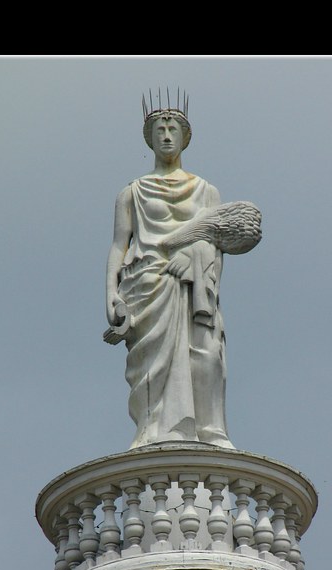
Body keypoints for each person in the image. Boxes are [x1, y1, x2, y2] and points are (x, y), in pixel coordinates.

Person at [105, 94, 234, 449]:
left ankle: (210, 430)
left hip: (194, 285)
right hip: (147, 283)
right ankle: (153, 429)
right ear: (149, 139)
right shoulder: (132, 191)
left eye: (172, 128)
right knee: (151, 364)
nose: (165, 135)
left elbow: (216, 240)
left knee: (206, 352)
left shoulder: (206, 191)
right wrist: (110, 294)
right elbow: (120, 244)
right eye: (159, 129)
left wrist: (193, 257)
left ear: (185, 137)